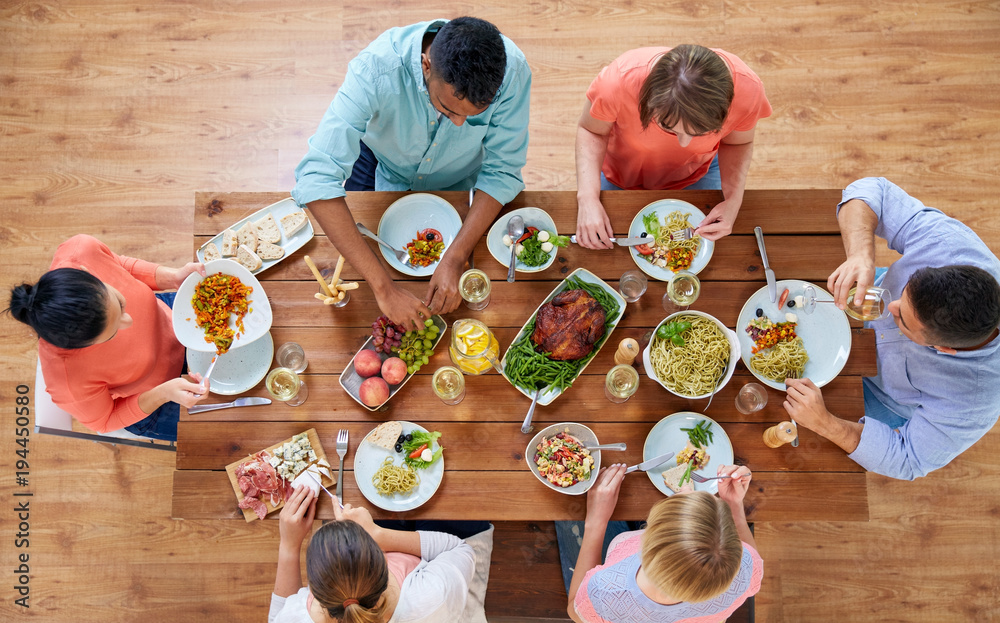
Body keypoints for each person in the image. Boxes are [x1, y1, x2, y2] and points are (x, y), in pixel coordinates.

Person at [292, 17, 531, 330]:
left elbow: (502, 171)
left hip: (461, 177)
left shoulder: (512, 72)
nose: (459, 124)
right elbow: (315, 179)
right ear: (426, 65)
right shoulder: (374, 69)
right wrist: (384, 288)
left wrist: (456, 257)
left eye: (472, 117)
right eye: (447, 110)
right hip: (382, 162)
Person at [783, 177, 1000, 480]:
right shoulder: (950, 246)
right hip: (863, 289)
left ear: (944, 349)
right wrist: (861, 255)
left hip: (879, 394)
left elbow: (908, 459)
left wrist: (825, 423)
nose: (890, 308)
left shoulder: (975, 401)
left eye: (903, 320)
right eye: (904, 294)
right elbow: (873, 191)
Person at [5, 234, 209, 441]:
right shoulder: (68, 382)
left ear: (87, 272)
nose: (129, 321)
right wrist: (163, 394)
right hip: (154, 400)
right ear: (79, 348)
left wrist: (170, 276)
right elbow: (106, 420)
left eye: (121, 304)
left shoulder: (81, 252)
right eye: (112, 334)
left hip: (172, 317)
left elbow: (119, 264)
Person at [574, 44, 771, 247]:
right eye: (668, 127)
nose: (684, 144)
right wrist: (587, 198)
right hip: (620, 174)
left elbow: (738, 143)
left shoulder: (748, 91)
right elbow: (592, 131)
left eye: (700, 133)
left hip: (698, 172)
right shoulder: (616, 83)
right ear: (649, 100)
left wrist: (733, 201)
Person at [564, 464, 762, 623]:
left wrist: (595, 522)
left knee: (567, 517)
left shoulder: (606, 591)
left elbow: (574, 610)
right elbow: (747, 550)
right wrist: (734, 505)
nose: (685, 486)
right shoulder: (746, 567)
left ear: (646, 534)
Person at [269, 486, 493, 623]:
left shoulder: (295, 617)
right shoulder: (431, 596)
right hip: (434, 572)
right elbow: (458, 549)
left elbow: (279, 617)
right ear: (383, 562)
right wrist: (378, 534)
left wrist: (289, 545)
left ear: (315, 594)